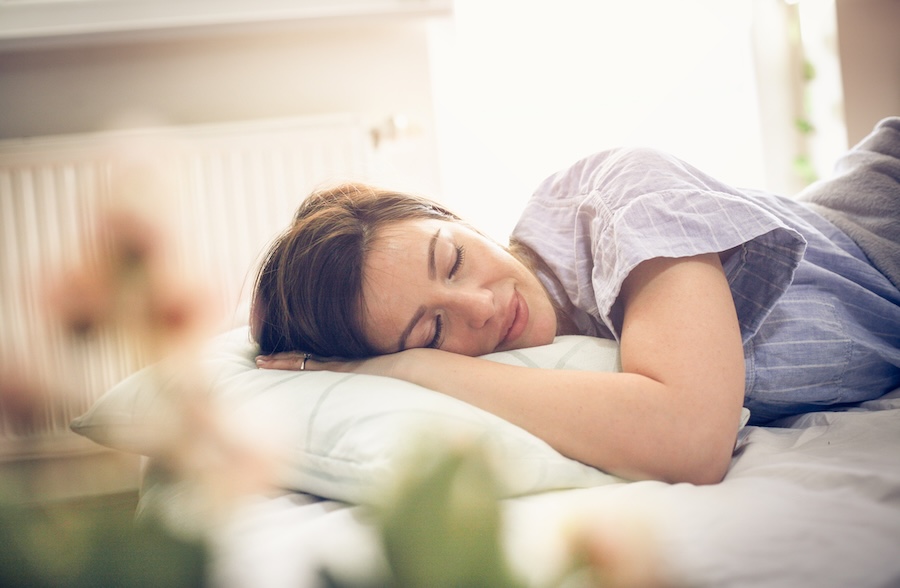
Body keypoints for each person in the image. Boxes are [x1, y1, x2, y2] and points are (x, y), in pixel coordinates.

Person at [252, 117, 900, 485]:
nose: (479, 306)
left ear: (446, 214)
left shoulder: (617, 197)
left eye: (451, 259)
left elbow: (691, 438)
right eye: (431, 331)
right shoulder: (553, 360)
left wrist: (419, 363)